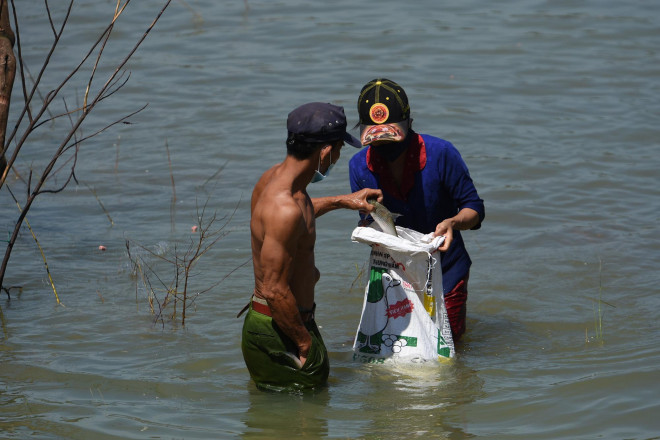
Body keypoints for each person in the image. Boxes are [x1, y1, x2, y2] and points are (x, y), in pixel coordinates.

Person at [241, 101, 382, 392]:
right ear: (326, 152)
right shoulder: (285, 209)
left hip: (283, 323)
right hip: (282, 329)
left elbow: (296, 214)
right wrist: (305, 344)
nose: (337, 158)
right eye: (339, 150)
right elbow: (273, 289)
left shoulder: (274, 181)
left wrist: (343, 200)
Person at [348, 78, 485, 342]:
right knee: (398, 348)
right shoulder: (359, 167)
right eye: (378, 142)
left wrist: (453, 222)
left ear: (409, 123)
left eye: (391, 140)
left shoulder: (441, 154)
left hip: (447, 268)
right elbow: (367, 221)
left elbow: (474, 208)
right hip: (395, 275)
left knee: (448, 347)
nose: (385, 149)